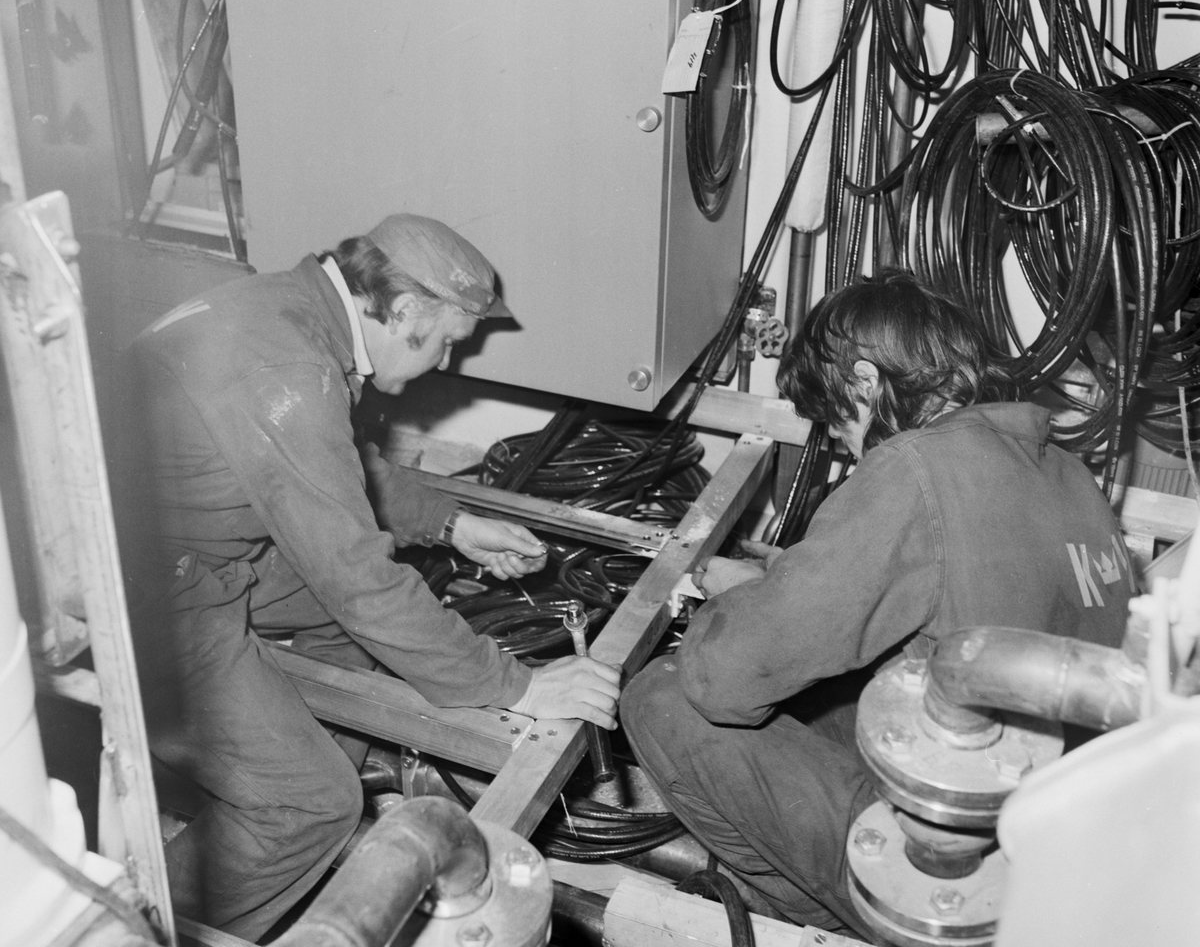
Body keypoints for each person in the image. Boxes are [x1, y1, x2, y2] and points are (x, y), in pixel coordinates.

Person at [118, 214, 620, 941]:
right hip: (145, 588)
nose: (445, 363)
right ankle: (127, 925)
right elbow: (360, 582)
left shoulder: (291, 312)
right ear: (405, 309)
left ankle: (293, 791)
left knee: (346, 630)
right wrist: (521, 686)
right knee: (311, 804)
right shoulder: (290, 369)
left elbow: (339, 465)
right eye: (448, 341)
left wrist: (452, 523)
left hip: (189, 546)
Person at [620, 269, 1134, 940]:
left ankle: (856, 918)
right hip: (1065, 835)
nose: (842, 444)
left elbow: (724, 682)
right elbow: (948, 583)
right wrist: (787, 580)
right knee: (824, 687)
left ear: (865, 382)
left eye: (838, 422)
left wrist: (735, 604)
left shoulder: (914, 467)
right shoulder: (1067, 473)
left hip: (965, 865)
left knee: (663, 697)